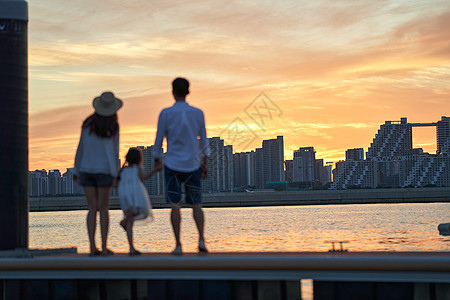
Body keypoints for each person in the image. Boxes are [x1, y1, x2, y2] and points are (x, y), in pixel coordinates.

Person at [153, 77, 210, 255]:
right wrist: (204, 163)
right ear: (188, 91)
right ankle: (201, 240)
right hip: (193, 164)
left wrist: (156, 159)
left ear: (172, 91)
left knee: (175, 205)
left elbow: (159, 138)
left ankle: (178, 244)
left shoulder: (166, 113)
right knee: (196, 205)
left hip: (172, 164)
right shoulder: (198, 113)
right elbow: (204, 139)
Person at [74, 91, 122, 256]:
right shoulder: (113, 126)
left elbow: (80, 148)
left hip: (86, 170)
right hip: (104, 171)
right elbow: (115, 152)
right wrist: (116, 174)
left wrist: (76, 169)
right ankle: (104, 246)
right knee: (103, 209)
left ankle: (92, 247)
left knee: (92, 209)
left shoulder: (87, 124)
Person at [118, 147, 157, 256]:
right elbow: (143, 177)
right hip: (135, 196)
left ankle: (131, 245)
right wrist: (155, 170)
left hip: (125, 196)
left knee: (131, 219)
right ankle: (131, 247)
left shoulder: (123, 170)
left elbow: (117, 183)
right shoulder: (137, 168)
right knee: (133, 218)